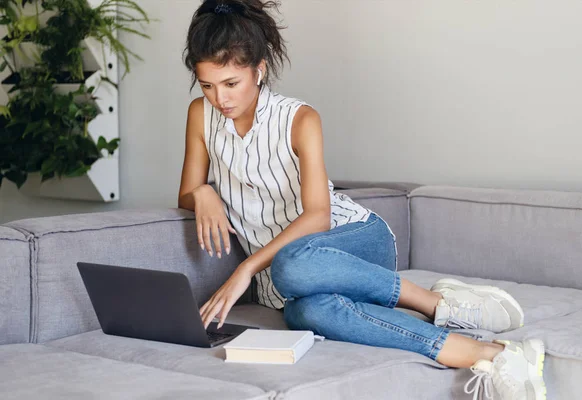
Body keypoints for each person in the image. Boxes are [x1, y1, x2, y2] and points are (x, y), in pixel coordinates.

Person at [177, 1, 547, 399]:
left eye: (231, 83)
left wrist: (245, 270)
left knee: (294, 262)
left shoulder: (300, 119)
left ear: (259, 69)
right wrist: (203, 192)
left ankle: (438, 303)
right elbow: (185, 194)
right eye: (208, 86)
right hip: (289, 282)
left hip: (355, 242)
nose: (221, 99)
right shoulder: (201, 116)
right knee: (306, 313)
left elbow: (318, 217)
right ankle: (489, 353)